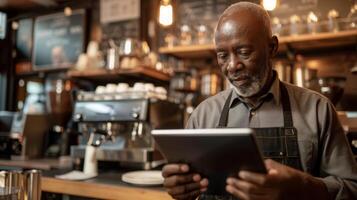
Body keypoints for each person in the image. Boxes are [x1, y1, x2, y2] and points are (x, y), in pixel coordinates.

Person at [162, 2, 357, 200]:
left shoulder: (318, 109)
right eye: (222, 56)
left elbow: (352, 189)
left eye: (244, 52)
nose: (232, 66)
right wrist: (181, 189)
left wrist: (303, 187)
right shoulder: (202, 115)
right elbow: (186, 181)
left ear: (272, 47)